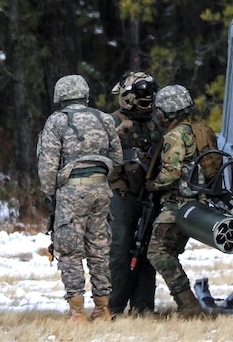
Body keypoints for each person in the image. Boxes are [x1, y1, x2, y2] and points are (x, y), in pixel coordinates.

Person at [36, 74, 122, 322]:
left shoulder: (56, 122)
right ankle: (102, 309)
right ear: (84, 94)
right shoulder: (104, 119)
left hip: (72, 193)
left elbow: (48, 164)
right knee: (99, 249)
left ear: (60, 96)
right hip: (101, 190)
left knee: (70, 251)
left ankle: (76, 312)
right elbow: (117, 159)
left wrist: (51, 194)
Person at [145, 84, 207, 318]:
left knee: (157, 252)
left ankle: (189, 306)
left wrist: (152, 185)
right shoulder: (198, 130)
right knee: (167, 249)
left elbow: (170, 173)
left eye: (160, 110)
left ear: (169, 111)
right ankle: (189, 305)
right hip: (197, 200)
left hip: (179, 203)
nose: (158, 115)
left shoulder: (175, 135)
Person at [107, 71, 162, 316]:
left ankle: (143, 306)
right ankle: (114, 306)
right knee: (119, 249)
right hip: (120, 195)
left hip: (149, 196)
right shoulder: (110, 122)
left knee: (148, 250)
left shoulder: (155, 124)